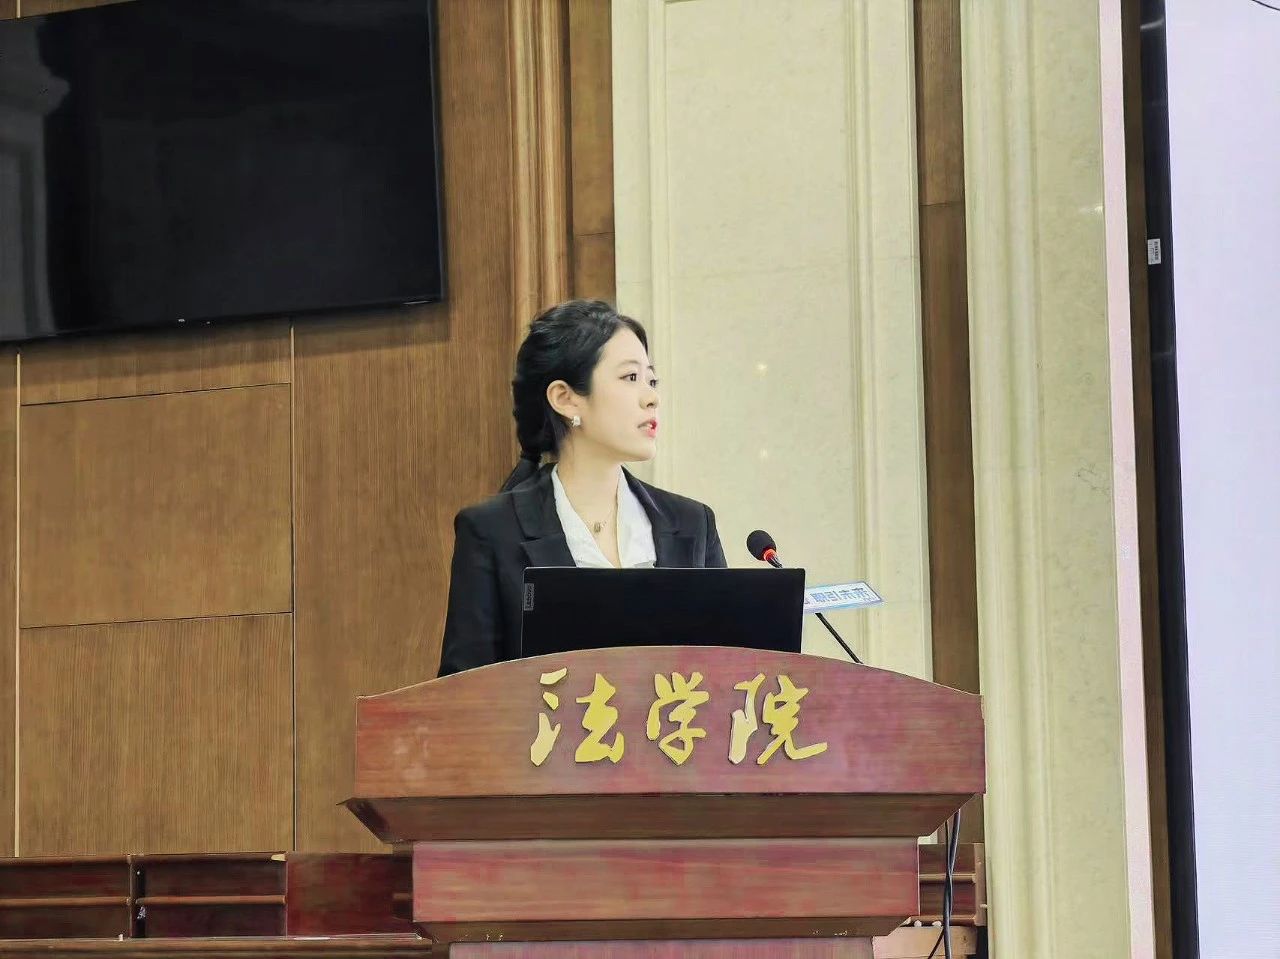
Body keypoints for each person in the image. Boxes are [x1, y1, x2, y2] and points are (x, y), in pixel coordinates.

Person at [437, 299, 727, 676]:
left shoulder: (692, 522)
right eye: (630, 378)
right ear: (566, 398)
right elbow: (462, 692)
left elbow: (730, 672)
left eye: (651, 380)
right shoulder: (492, 531)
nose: (652, 397)